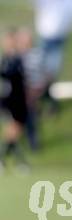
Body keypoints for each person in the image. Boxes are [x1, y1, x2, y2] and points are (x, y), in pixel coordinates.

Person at [0, 29, 29, 172]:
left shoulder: (18, 58)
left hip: (20, 99)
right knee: (13, 131)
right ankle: (19, 163)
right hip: (9, 100)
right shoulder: (5, 60)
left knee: (14, 132)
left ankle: (8, 161)